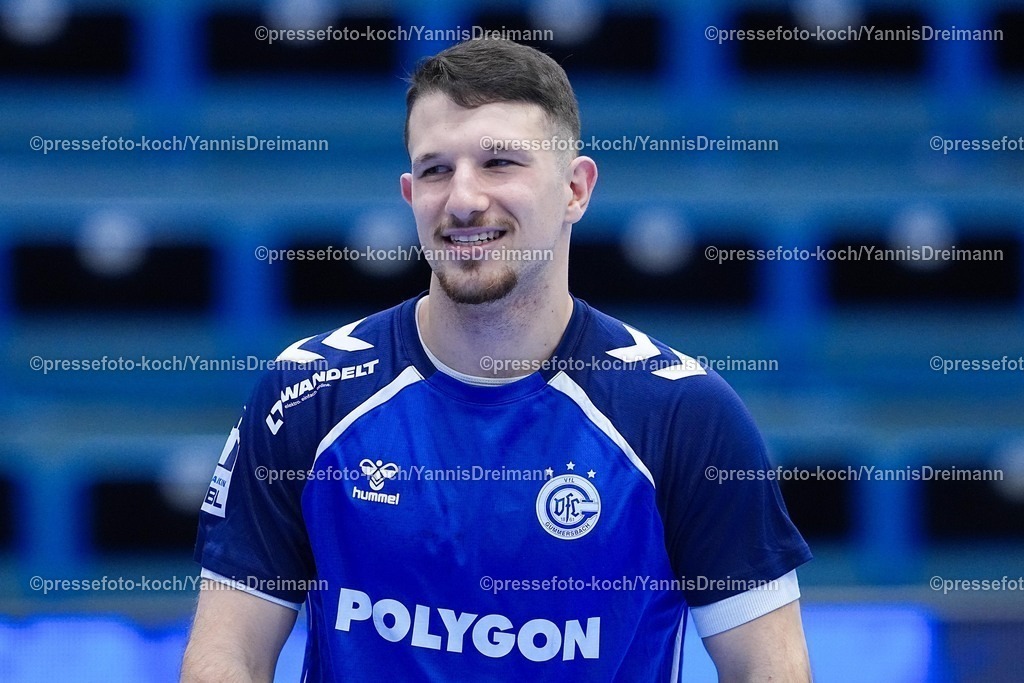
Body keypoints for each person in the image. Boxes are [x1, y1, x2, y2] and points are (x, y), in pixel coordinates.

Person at [181, 38, 812, 682]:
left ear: (575, 188)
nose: (462, 199)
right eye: (435, 170)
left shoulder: (685, 413)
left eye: (499, 163)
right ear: (408, 193)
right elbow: (228, 657)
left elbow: (771, 671)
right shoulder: (309, 394)